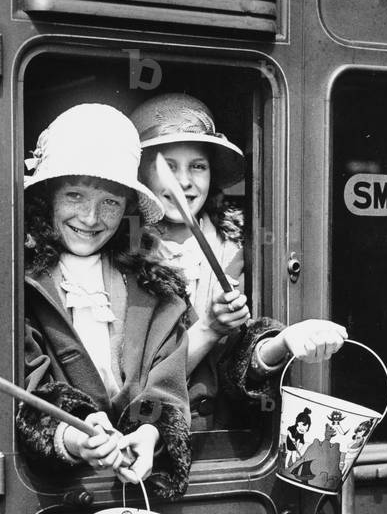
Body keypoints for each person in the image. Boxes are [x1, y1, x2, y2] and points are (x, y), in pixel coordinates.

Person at [130, 94, 347, 429]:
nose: (184, 182)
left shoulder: (239, 253)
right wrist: (209, 329)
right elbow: (133, 384)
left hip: (221, 446)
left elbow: (238, 366)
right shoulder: (121, 260)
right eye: (168, 166)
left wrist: (281, 344)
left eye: (197, 166)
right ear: (142, 174)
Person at [15, 103, 192, 499]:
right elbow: (24, 385)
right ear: (48, 197)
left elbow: (169, 379)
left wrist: (149, 433)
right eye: (75, 195)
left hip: (135, 487)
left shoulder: (157, 287)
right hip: (52, 496)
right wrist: (76, 434)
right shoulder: (17, 282)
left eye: (110, 201)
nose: (91, 218)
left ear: (127, 206)